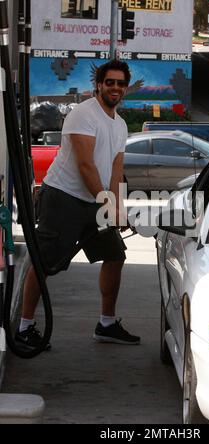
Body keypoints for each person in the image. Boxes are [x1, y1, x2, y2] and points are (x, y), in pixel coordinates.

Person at [16, 59, 140, 349]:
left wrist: (117, 206)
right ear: (98, 84)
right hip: (63, 197)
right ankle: (24, 327)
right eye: (110, 82)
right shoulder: (84, 114)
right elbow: (86, 166)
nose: (115, 88)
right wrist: (107, 204)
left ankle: (106, 324)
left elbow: (115, 170)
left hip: (94, 200)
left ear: (126, 88)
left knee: (115, 256)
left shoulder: (119, 125)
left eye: (121, 83)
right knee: (46, 263)